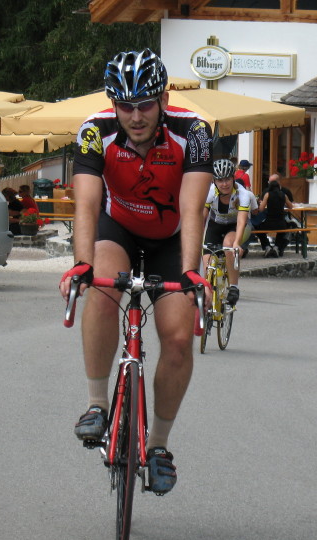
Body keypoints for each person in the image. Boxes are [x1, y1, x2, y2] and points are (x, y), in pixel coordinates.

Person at [58, 48, 213, 496]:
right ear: (113, 105)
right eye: (125, 106)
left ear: (163, 99)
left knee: (179, 338)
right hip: (118, 229)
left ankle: (158, 446)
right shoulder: (95, 131)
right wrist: (82, 264)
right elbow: (87, 203)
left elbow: (192, 206)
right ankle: (96, 404)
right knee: (101, 290)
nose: (136, 115)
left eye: (145, 103)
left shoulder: (194, 131)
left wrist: (191, 272)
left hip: (172, 238)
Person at [203, 158, 253, 306]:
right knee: (206, 261)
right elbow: (202, 218)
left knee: (228, 245)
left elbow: (241, 221)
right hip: (216, 224)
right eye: (220, 180)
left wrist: (237, 243)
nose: (224, 184)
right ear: (214, 181)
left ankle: (233, 287)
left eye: (227, 180)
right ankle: (208, 294)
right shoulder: (210, 192)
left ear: (233, 178)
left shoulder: (243, 194)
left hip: (235, 225)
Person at [255, 175, 295, 257]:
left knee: (257, 228)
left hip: (269, 223)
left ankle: (267, 246)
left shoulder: (267, 195)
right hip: (281, 223)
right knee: (286, 228)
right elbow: (291, 206)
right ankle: (277, 247)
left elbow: (261, 209)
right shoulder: (283, 195)